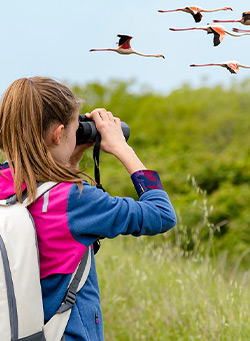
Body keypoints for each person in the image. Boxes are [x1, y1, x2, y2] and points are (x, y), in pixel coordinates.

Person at [0, 77, 177, 340]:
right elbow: (161, 215)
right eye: (75, 129)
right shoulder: (77, 201)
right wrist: (122, 148)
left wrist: (68, 160)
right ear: (58, 134)